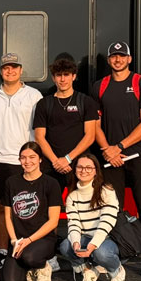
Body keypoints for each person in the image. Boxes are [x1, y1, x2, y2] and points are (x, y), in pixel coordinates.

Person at [91, 41, 141, 277]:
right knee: (111, 208)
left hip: (137, 155)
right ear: (109, 60)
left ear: (129, 59)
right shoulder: (99, 86)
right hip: (111, 159)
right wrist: (108, 150)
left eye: (122, 56)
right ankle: (112, 255)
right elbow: (95, 125)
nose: (118, 60)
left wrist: (119, 146)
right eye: (113, 56)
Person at [0, 53, 43, 263]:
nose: (10, 71)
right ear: (1, 71)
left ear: (20, 70)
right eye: (6, 68)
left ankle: (28, 249)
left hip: (25, 161)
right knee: (2, 207)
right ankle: (2, 251)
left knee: (28, 209)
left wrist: (34, 158)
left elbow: (39, 129)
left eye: (14, 67)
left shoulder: (34, 95)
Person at [56, 153, 125, 281]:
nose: (84, 170)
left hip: (107, 238)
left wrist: (92, 245)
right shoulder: (72, 196)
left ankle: (116, 272)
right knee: (65, 246)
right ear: (74, 170)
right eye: (80, 167)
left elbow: (107, 222)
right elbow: (73, 223)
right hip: (84, 237)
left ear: (95, 171)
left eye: (89, 167)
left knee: (101, 253)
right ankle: (88, 271)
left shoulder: (106, 190)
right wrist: (75, 242)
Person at [33, 56, 99, 194]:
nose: (62, 80)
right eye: (58, 75)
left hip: (79, 166)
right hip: (51, 166)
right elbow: (39, 137)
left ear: (74, 76)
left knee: (81, 208)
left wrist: (68, 159)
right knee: (50, 209)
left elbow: (90, 136)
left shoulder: (86, 102)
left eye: (66, 75)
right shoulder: (44, 104)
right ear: (53, 78)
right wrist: (56, 161)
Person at [1, 142, 62, 281]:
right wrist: (14, 240)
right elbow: (8, 216)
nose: (27, 161)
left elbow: (53, 221)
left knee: (30, 257)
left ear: (40, 159)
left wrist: (29, 240)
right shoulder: (11, 182)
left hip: (42, 239)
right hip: (19, 240)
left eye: (32, 157)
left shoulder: (51, 183)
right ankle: (29, 269)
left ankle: (43, 267)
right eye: (23, 158)